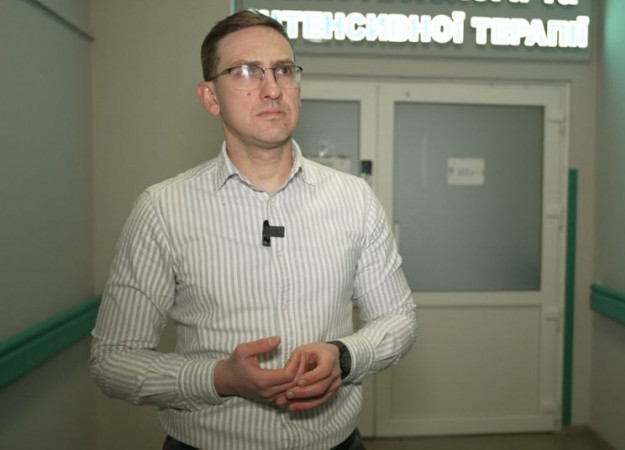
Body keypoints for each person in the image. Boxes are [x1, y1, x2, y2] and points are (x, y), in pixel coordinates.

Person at [90, 10, 417, 450]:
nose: (272, 88)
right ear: (210, 97)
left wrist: (344, 356)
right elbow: (112, 360)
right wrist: (218, 378)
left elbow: (398, 319)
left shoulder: (353, 198)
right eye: (246, 71)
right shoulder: (163, 209)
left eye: (283, 70)